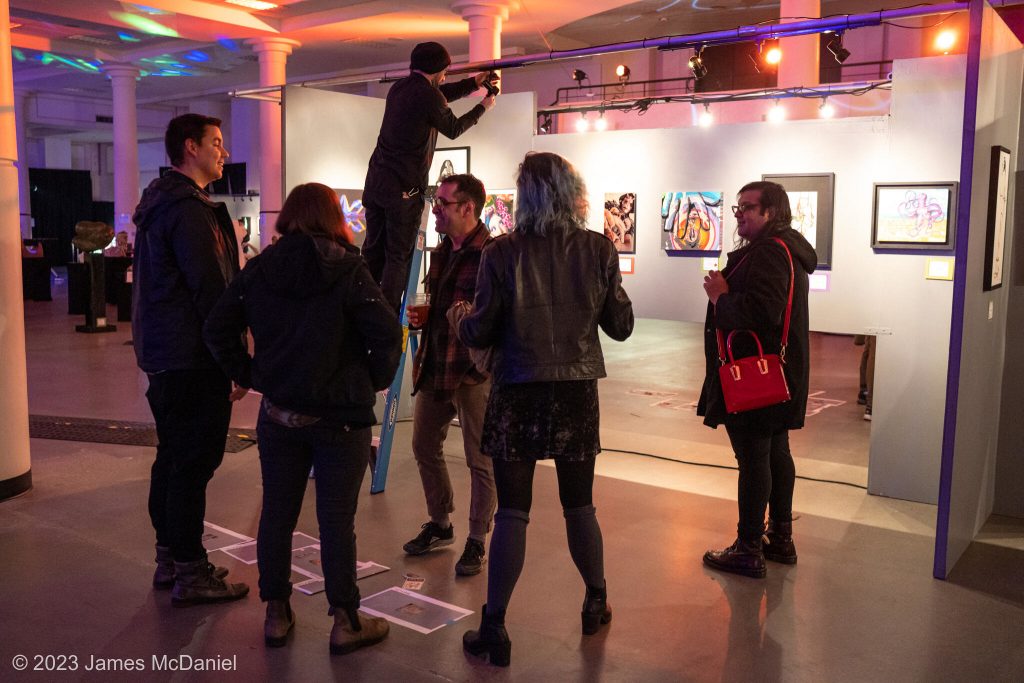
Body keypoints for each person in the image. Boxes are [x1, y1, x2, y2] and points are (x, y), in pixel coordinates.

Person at [203, 183, 402, 654]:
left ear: (289, 215)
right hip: (341, 419)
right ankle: (346, 620)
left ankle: (276, 613)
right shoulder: (350, 269)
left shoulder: (261, 268)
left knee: (277, 513)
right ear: (334, 217)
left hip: (280, 413)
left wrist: (250, 375)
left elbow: (217, 327)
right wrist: (371, 379)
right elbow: (388, 336)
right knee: (336, 519)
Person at [452, 152, 634, 666]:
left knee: (513, 510)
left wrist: (458, 318)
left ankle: (496, 626)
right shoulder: (598, 249)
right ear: (571, 192)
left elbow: (481, 330)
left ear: (525, 196)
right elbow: (620, 325)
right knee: (580, 505)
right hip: (576, 391)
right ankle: (595, 601)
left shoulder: (502, 253)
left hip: (518, 389)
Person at [132, 113, 249, 605]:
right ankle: (190, 570)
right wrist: (234, 357)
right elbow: (212, 289)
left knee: (174, 459)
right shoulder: (188, 210)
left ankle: (171, 558)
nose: (223, 152)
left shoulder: (168, 204)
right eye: (216, 143)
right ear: (190, 148)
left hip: (169, 353)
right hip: (191, 357)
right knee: (192, 463)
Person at [698, 181, 817, 579]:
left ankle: (748, 547)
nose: (740, 215)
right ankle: (780, 538)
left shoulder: (769, 251)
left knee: (753, 459)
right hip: (777, 375)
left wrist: (720, 297)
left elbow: (762, 311)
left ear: (772, 212)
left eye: (748, 208)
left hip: (756, 374)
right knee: (775, 453)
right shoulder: (787, 249)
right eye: (738, 208)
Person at [403, 174, 496, 577]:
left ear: (468, 207)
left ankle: (477, 538)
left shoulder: (494, 254)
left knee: (481, 460)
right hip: (437, 363)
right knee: (424, 445)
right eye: (436, 202)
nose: (435, 209)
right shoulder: (440, 252)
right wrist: (429, 316)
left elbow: (496, 316)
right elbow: (445, 305)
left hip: (472, 372)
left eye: (443, 202)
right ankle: (441, 523)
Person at [363, 41, 497, 311]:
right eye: (445, 70)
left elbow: (439, 95)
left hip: (376, 184)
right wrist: (484, 106)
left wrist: (474, 82)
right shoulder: (428, 96)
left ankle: (363, 307)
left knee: (372, 252)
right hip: (404, 191)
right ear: (437, 69)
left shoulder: (399, 88)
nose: (446, 75)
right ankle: (387, 316)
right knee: (398, 256)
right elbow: (454, 127)